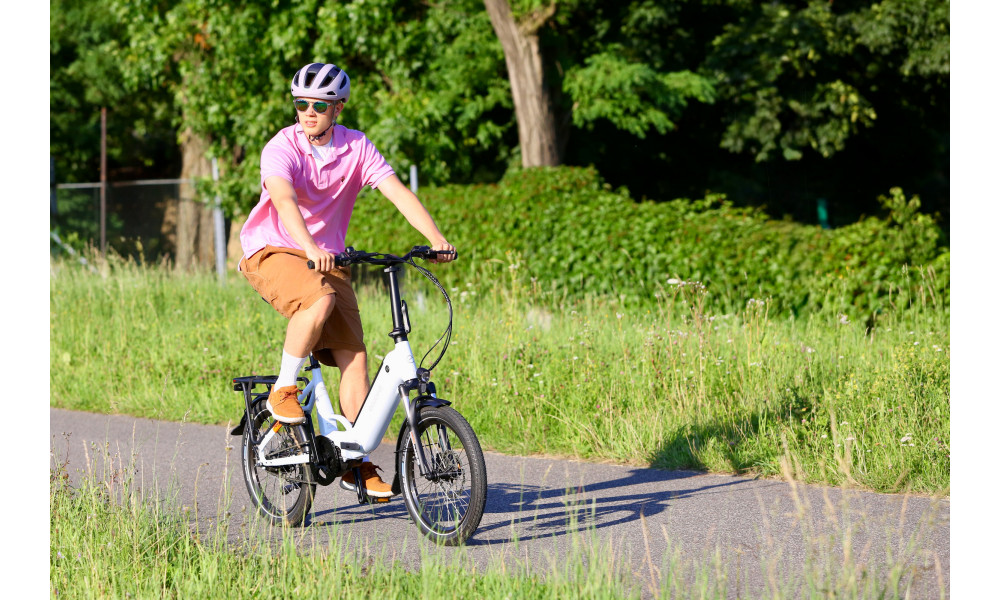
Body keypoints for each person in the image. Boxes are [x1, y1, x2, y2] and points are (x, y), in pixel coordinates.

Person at [237, 62, 456, 498]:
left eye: (319, 106)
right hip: (274, 249)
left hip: (328, 259)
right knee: (318, 300)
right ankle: (284, 390)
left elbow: (397, 192)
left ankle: (354, 460)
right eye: (302, 104)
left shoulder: (356, 147)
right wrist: (309, 246)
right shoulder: (282, 146)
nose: (309, 112)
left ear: (338, 108)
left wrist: (435, 238)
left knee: (354, 357)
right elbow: (284, 199)